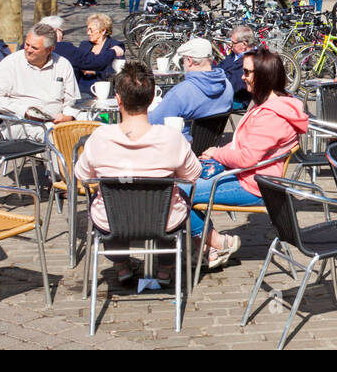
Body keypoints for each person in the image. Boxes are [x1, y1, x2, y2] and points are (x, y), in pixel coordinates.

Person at [74, 62, 202, 285]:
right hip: (163, 222)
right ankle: (164, 269)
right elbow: (192, 175)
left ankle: (121, 265)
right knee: (176, 200)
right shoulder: (171, 138)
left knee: (100, 202)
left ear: (118, 99)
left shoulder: (100, 137)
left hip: (112, 222)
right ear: (152, 99)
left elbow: (83, 176)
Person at [189, 46, 308, 269]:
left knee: (179, 192)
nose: (242, 77)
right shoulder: (274, 104)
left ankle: (216, 242)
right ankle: (208, 247)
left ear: (264, 75)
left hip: (255, 185)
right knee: (184, 183)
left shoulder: (272, 115)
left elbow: (246, 159)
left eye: (247, 72)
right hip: (253, 177)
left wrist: (218, 153)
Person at [0, 22, 82, 139]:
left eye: (34, 48)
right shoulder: (10, 64)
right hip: (19, 123)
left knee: (93, 125)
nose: (28, 50)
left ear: (50, 49)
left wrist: (68, 116)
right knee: (53, 134)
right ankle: (61, 157)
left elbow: (71, 100)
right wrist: (24, 111)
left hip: (57, 120)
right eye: (27, 44)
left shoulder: (63, 65)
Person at [149, 37, 236, 134]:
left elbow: (152, 122)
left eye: (183, 61)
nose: (183, 64)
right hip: (212, 143)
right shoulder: (227, 86)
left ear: (189, 61)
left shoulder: (181, 92)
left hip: (182, 144)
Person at [37, 15, 122, 97]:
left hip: (102, 85)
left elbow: (118, 70)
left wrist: (95, 72)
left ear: (103, 31)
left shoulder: (115, 45)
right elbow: (90, 61)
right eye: (61, 31)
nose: (88, 33)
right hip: (79, 86)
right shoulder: (77, 46)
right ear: (55, 31)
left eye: (91, 30)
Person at [216, 25, 256, 110]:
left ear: (244, 44)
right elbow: (220, 67)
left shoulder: (251, 60)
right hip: (224, 92)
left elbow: (235, 84)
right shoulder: (235, 54)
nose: (230, 45)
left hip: (237, 99)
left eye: (233, 43)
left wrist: (215, 77)